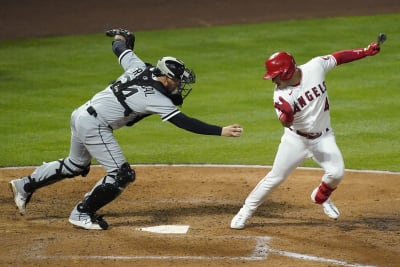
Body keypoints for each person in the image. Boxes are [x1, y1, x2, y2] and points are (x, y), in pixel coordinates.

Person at [9, 28, 243, 230]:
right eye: (177, 81)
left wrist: (122, 36)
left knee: (75, 164)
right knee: (121, 175)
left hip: (81, 114)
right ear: (164, 78)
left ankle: (25, 185)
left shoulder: (139, 66)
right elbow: (184, 122)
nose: (180, 86)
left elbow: (119, 48)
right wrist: (219, 130)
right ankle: (82, 213)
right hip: (95, 125)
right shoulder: (155, 98)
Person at [230, 38, 381, 230]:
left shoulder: (315, 67)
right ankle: (245, 211)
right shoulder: (280, 95)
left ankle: (321, 198)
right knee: (275, 177)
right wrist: (287, 113)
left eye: (276, 76)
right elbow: (286, 122)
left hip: (324, 138)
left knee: (336, 173)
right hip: (296, 140)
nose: (274, 80)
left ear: (287, 72)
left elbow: (338, 58)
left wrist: (365, 52)